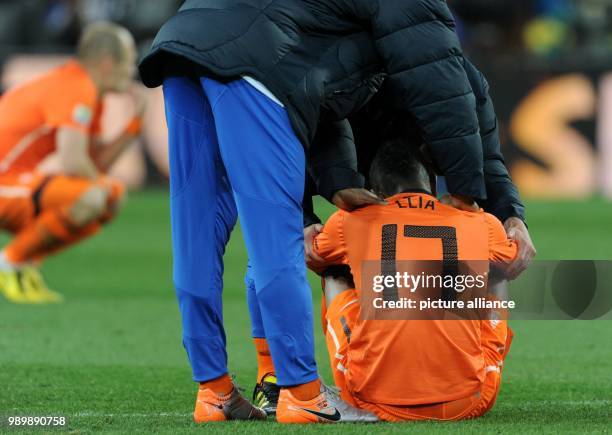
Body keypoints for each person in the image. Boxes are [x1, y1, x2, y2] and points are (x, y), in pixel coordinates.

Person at [139, 0, 517, 423]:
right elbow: (441, 83)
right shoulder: (412, 15)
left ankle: (213, 391)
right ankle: (300, 393)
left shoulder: (332, 24)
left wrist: (338, 185)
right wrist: (466, 192)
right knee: (277, 242)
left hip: (183, 40)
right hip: (256, 64)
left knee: (197, 231)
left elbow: (323, 86)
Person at [305, 140, 519, 421]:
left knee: (334, 271)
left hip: (370, 400)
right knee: (496, 272)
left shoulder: (349, 221)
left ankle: (361, 365)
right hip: (468, 400)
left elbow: (314, 256)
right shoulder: (481, 222)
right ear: (430, 182)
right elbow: (513, 262)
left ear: (374, 192)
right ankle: (469, 364)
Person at [0, 22, 146, 303]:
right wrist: (101, 187)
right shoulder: (76, 87)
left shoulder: (86, 91)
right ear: (107, 63)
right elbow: (72, 160)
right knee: (94, 196)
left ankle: (22, 263)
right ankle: (10, 262)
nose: (131, 71)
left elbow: (93, 163)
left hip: (13, 181)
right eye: (129, 61)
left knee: (107, 195)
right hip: (5, 183)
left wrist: (133, 126)